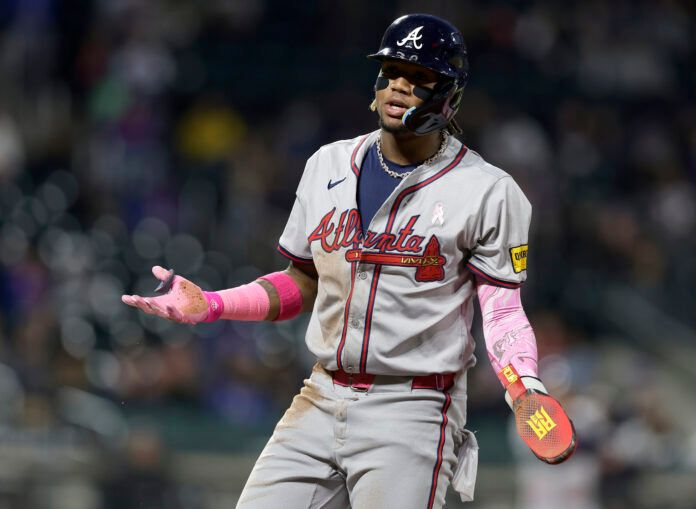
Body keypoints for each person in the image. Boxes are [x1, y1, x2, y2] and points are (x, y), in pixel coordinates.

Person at [122, 13, 557, 508]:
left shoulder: (488, 191)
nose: (398, 86)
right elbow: (301, 283)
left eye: (419, 78)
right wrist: (212, 305)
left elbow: (501, 310)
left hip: (413, 406)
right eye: (391, 71)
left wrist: (524, 381)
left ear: (449, 94)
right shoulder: (326, 165)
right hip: (322, 393)